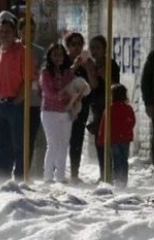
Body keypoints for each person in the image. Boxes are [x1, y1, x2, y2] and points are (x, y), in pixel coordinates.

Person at [0, 16, 27, 181]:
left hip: (13, 105)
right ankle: (0, 180)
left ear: (15, 33)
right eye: (1, 31)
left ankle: (19, 180)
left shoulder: (22, 52)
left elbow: (28, 79)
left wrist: (18, 99)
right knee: (1, 145)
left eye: (8, 31)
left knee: (18, 145)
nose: (4, 34)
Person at [85, 35, 120, 181]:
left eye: (97, 48)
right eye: (92, 48)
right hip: (97, 107)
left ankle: (111, 173)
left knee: (110, 140)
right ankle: (103, 173)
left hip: (110, 105)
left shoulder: (111, 64)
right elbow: (93, 85)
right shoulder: (92, 64)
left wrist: (103, 74)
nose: (94, 51)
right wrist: (90, 71)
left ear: (104, 49)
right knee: (99, 141)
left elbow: (115, 85)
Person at [39, 43, 75, 184]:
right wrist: (65, 95)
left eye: (60, 55)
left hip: (66, 111)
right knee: (53, 143)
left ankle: (60, 176)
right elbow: (49, 93)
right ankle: (48, 176)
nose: (58, 58)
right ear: (50, 56)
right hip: (49, 111)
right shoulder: (45, 72)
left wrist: (70, 97)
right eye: (55, 54)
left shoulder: (68, 73)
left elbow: (74, 88)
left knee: (64, 144)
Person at [65, 32, 95, 183]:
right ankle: (58, 171)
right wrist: (74, 66)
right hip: (63, 107)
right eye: (73, 44)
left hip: (81, 106)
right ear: (68, 46)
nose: (77, 47)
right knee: (61, 139)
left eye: (80, 44)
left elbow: (93, 85)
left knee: (77, 138)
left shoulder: (87, 64)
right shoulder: (62, 62)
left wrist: (89, 69)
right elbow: (60, 81)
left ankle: (74, 173)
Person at [18, 16, 45, 175]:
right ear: (20, 32)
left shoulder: (39, 52)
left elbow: (40, 74)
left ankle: (25, 173)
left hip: (34, 101)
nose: (30, 34)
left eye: (33, 31)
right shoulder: (13, 50)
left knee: (30, 139)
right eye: (27, 31)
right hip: (15, 99)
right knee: (14, 139)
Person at [97, 84, 136, 187]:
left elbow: (104, 125)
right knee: (124, 160)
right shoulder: (128, 109)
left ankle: (117, 179)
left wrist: (101, 139)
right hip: (125, 139)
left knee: (116, 159)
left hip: (113, 139)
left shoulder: (110, 109)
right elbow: (132, 122)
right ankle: (123, 180)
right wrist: (126, 132)